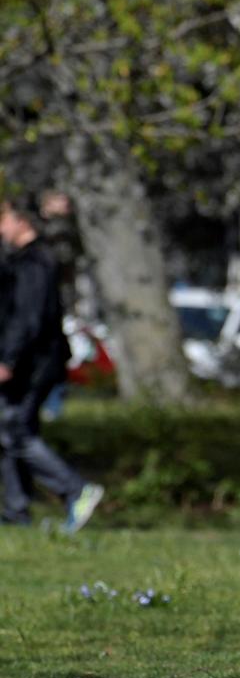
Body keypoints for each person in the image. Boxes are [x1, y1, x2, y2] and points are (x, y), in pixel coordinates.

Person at [0, 193, 103, 533]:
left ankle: (76, 489)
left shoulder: (35, 263)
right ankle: (16, 511)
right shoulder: (22, 261)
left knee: (14, 430)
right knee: (8, 431)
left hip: (33, 365)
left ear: (21, 222)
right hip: (29, 361)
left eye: (5, 220)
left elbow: (27, 320)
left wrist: (8, 359)